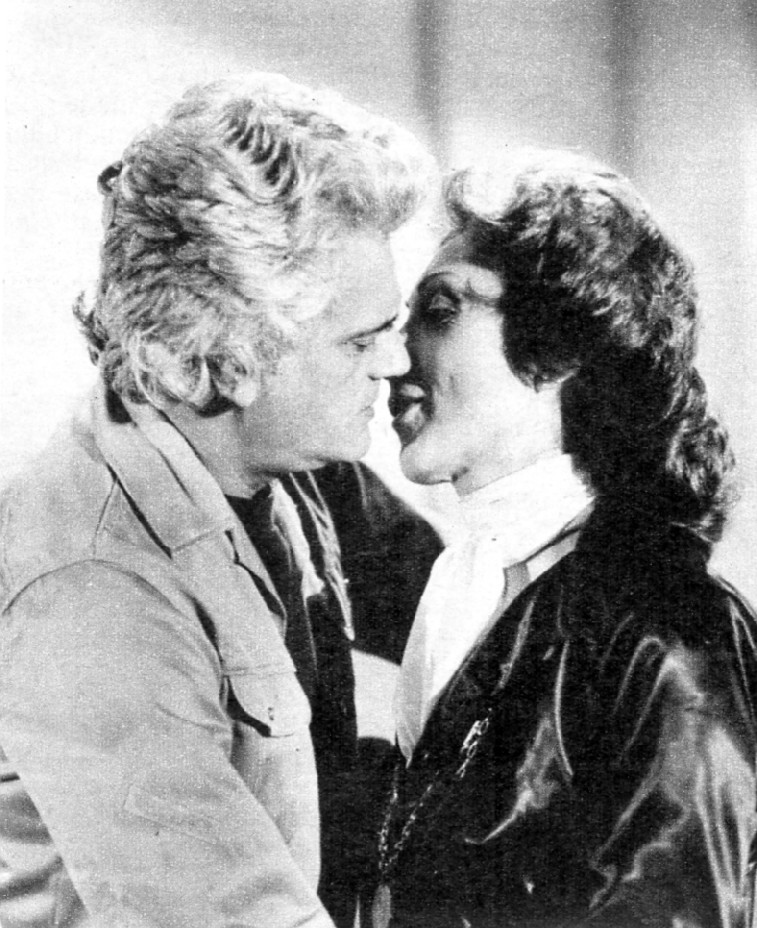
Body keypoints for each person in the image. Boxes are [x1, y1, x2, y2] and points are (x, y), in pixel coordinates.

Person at [0, 72, 437, 927]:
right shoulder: (94, 592)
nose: (394, 364)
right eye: (359, 343)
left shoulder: (291, 472)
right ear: (230, 358)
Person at [379, 150, 757, 927]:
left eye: (440, 311)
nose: (390, 354)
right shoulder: (464, 584)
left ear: (560, 347)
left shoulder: (668, 629)